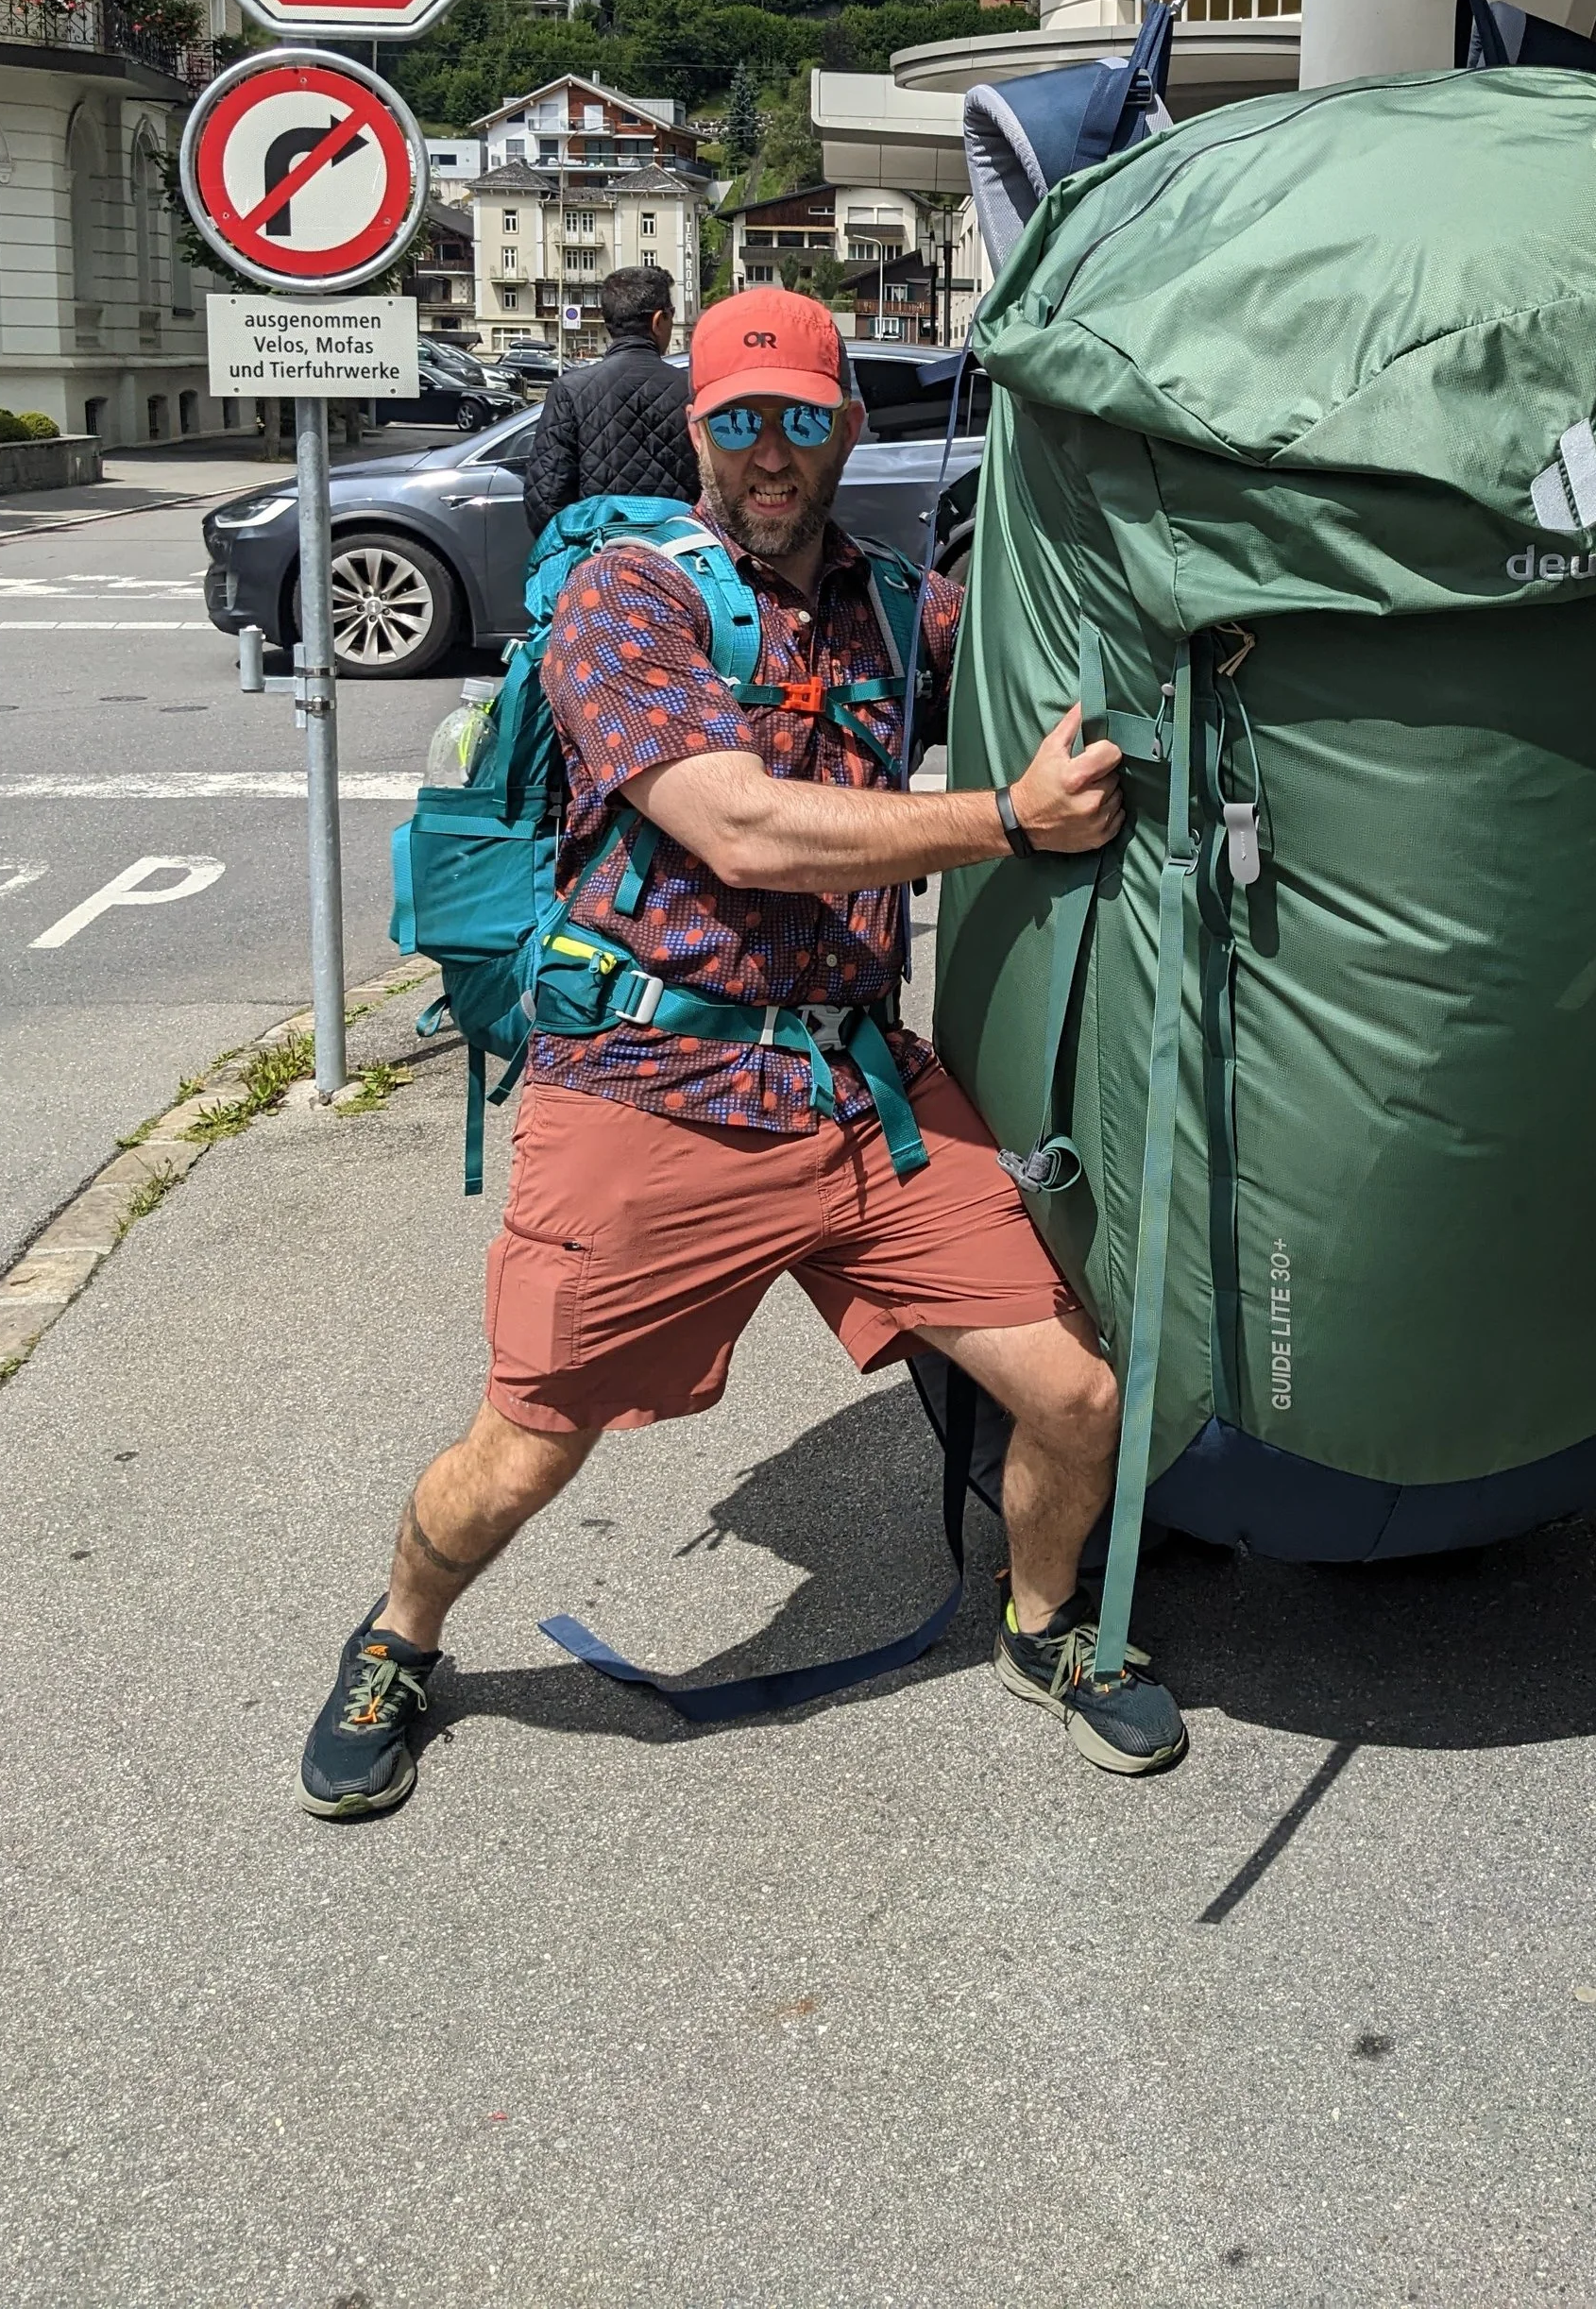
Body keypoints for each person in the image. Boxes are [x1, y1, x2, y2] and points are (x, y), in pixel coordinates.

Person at [302, 289, 1187, 1821]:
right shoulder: (627, 597)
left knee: (1078, 1393)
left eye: (801, 417)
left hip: (855, 1090)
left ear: (849, 423)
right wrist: (1002, 823)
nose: (771, 452)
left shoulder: (896, 603)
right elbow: (739, 823)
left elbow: (1064, 648)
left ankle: (1044, 1626)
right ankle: (398, 1639)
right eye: (740, 419)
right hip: (659, 1089)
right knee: (522, 1448)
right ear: (700, 428)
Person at [519, 262, 699, 541]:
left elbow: (545, 500)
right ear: (658, 321)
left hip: (598, 560)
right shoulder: (691, 390)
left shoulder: (570, 391)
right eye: (671, 315)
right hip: (680, 557)